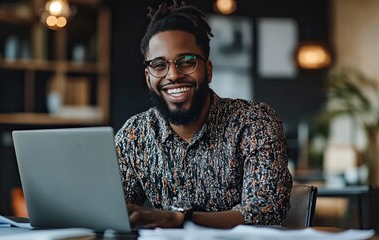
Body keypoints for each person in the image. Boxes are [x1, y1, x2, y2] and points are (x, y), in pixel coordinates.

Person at [115, 0, 292, 229]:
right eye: (159, 65)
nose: (173, 75)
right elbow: (115, 211)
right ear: (148, 77)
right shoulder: (134, 135)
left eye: (186, 62)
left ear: (207, 70)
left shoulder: (253, 122)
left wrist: (181, 220)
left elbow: (267, 210)